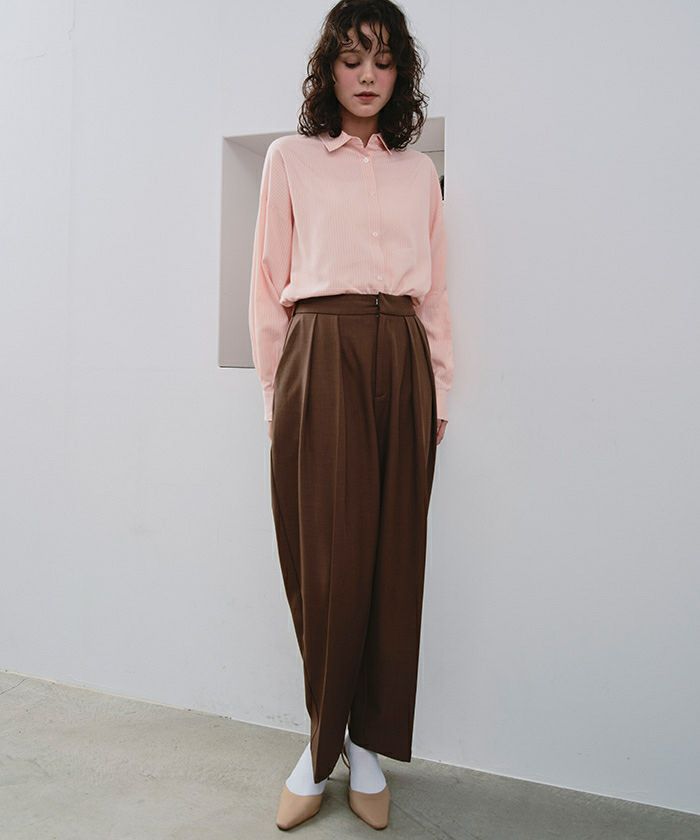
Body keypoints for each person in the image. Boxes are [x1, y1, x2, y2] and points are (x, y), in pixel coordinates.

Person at [248, 0, 454, 830]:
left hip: (402, 354)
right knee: (329, 566)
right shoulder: (289, 159)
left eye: (384, 60)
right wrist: (277, 397)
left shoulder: (418, 173)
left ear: (401, 73)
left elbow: (436, 292)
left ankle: (365, 746)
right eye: (351, 57)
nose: (367, 75)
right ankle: (319, 744)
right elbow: (267, 284)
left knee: (392, 563)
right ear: (327, 68)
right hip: (322, 351)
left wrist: (440, 389)